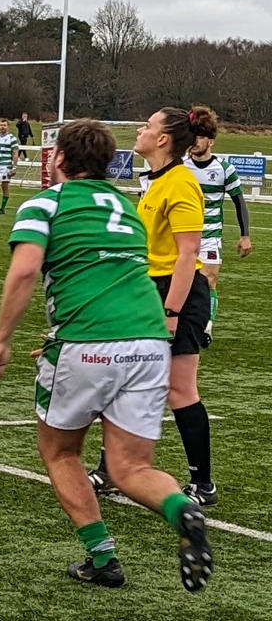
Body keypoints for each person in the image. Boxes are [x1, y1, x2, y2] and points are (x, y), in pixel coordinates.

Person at [0, 118, 212, 592]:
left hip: (88, 344)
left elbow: (24, 272)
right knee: (131, 468)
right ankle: (181, 510)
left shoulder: (46, 202)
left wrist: (1, 340)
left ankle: (103, 559)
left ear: (59, 158)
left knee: (61, 452)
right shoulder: (125, 206)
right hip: (148, 344)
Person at [89, 107, 219, 507]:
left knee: (180, 390)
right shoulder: (156, 180)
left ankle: (203, 484)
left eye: (147, 126)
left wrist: (171, 312)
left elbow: (187, 255)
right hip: (146, 289)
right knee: (121, 380)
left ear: (163, 139)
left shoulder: (180, 183)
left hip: (175, 294)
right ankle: (112, 469)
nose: (140, 130)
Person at [183, 107, 252, 337]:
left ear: (211, 141)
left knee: (208, 281)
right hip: (182, 235)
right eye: (193, 134)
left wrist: (245, 235)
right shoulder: (180, 167)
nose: (195, 140)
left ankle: (206, 327)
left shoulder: (224, 169)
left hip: (210, 237)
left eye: (200, 136)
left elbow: (239, 201)